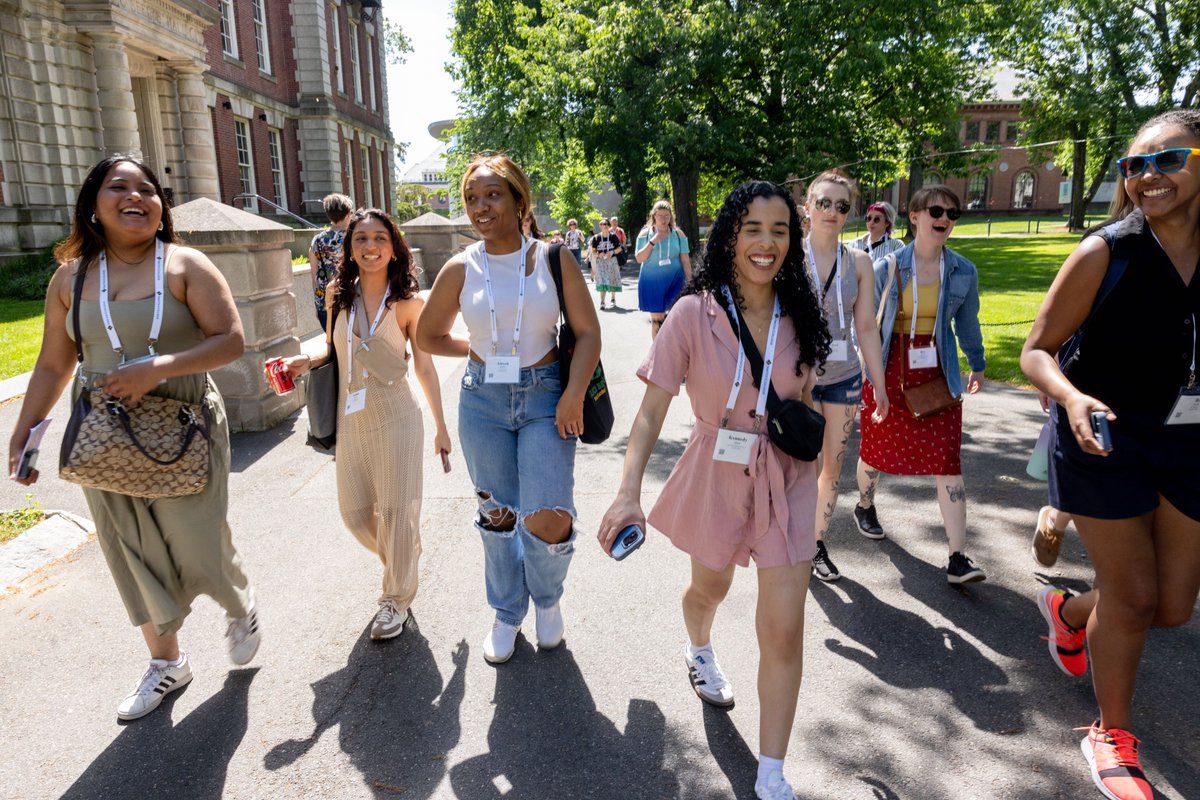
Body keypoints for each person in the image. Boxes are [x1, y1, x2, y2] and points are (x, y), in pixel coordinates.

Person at [599, 181, 831, 800]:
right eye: (752, 227)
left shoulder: (801, 314)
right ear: (730, 234)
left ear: (792, 239)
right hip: (715, 469)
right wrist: (628, 494)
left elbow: (806, 402)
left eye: (779, 230)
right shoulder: (690, 314)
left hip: (787, 478)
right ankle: (699, 647)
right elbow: (649, 415)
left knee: (782, 629)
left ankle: (771, 769)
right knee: (711, 587)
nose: (766, 242)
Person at [6, 155, 260, 721]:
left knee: (196, 537)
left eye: (148, 189)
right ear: (93, 203)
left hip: (182, 420)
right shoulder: (70, 277)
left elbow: (229, 341)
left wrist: (158, 368)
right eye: (119, 186)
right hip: (102, 427)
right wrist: (24, 434)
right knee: (129, 548)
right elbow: (52, 364)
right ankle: (166, 663)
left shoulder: (185, 265)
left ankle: (236, 600)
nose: (137, 196)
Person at [1020, 108, 1200, 800]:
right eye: (1135, 166)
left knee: (1174, 606)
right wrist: (1069, 398)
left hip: (1187, 439)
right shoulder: (1106, 252)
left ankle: (1067, 614)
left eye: (1168, 160)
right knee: (1132, 595)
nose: (1149, 176)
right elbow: (1035, 350)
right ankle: (1111, 735)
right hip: (1103, 433)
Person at [416, 154, 601, 665]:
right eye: (472, 197)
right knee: (496, 514)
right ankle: (505, 611)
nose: (481, 206)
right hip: (483, 399)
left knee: (548, 514)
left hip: (546, 395)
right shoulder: (461, 267)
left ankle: (547, 599)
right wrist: (477, 352)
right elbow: (428, 335)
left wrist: (570, 394)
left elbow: (588, 333)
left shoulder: (552, 258)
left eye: (493, 194)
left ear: (520, 200)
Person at [283, 209, 450, 640]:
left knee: (396, 512)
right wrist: (307, 361)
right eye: (361, 239)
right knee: (355, 514)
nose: (370, 247)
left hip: (398, 416)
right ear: (350, 247)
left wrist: (441, 427)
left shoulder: (410, 303)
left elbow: (426, 369)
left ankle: (395, 600)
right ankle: (404, 558)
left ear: (393, 247)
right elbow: (333, 350)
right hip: (351, 417)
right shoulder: (339, 292)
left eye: (379, 238)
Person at [854, 185, 988, 584]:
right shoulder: (889, 267)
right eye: (936, 210)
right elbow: (866, 327)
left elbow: (966, 323)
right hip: (888, 367)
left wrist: (977, 364)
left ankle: (958, 556)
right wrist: (871, 378)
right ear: (914, 216)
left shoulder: (963, 270)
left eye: (952, 213)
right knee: (875, 453)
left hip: (936, 371)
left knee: (948, 460)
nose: (944, 218)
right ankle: (864, 504)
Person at [802, 171, 889, 582]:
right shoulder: (788, 256)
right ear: (808, 207)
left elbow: (867, 327)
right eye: (824, 203)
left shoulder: (859, 262)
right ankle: (791, 540)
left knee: (831, 469)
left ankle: (816, 544)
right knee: (802, 466)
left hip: (845, 379)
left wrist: (881, 385)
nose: (832, 212)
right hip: (796, 379)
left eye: (841, 205)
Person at [634, 200, 693, 339]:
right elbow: (639, 258)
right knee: (658, 319)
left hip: (675, 281)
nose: (664, 219)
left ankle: (674, 351)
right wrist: (653, 241)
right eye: (660, 215)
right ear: (654, 216)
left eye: (667, 216)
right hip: (651, 282)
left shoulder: (678, 234)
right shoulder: (645, 234)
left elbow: (685, 261)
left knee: (675, 317)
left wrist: (691, 283)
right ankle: (658, 353)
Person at [308, 193, 354, 331]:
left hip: (325, 302)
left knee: (332, 347)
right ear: (347, 215)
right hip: (351, 300)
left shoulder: (317, 240)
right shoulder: (354, 238)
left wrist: (318, 304)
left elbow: (314, 275)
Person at [589, 218, 624, 309]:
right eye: (602, 224)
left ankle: (613, 299)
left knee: (612, 279)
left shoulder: (613, 236)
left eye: (605, 224)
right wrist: (598, 254)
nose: (604, 225)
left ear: (609, 226)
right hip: (601, 262)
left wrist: (612, 252)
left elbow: (620, 248)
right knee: (602, 280)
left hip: (612, 261)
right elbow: (593, 251)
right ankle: (602, 302)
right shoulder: (596, 238)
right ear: (600, 226)